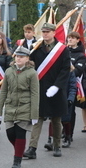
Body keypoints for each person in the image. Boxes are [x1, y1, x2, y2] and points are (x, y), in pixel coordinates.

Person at [23, 23, 70, 158]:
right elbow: (31, 65)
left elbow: (65, 69)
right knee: (37, 119)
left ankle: (57, 145)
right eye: (43, 32)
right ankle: (32, 148)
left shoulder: (62, 49)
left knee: (56, 119)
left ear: (54, 33)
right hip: (40, 87)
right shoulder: (37, 48)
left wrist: (57, 86)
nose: (45, 34)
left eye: (48, 32)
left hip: (56, 89)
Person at [0, 46, 39, 168]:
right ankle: (19, 151)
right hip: (10, 106)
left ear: (27, 59)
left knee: (20, 133)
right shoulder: (9, 71)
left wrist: (34, 115)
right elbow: (3, 91)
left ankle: (17, 160)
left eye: (21, 57)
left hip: (25, 107)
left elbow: (35, 94)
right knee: (10, 133)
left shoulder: (32, 73)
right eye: (17, 56)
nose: (18, 59)